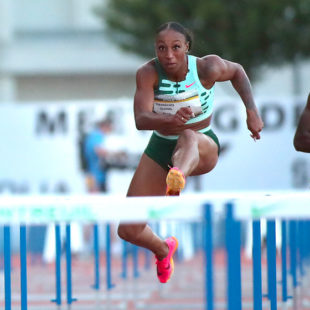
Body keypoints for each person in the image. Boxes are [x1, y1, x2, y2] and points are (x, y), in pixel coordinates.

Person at [117, 21, 264, 283]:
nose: (169, 55)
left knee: (187, 135)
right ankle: (163, 249)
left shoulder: (207, 67)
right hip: (161, 146)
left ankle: (177, 177)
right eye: (161, 48)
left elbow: (238, 72)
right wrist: (170, 120)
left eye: (175, 47)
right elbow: (141, 119)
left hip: (201, 144)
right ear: (155, 49)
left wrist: (251, 112)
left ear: (187, 47)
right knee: (128, 229)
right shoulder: (147, 73)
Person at [83, 116, 113, 193]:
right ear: (105, 126)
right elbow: (99, 151)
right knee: (95, 200)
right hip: (94, 176)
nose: (111, 130)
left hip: (94, 175)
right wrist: (115, 154)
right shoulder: (96, 136)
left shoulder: (95, 136)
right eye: (110, 127)